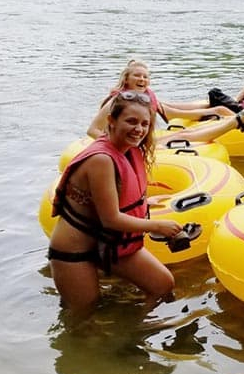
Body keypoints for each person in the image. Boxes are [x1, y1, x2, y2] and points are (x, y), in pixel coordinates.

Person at [48, 91, 183, 321]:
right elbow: (111, 218)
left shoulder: (128, 151)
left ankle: (129, 335)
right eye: (131, 121)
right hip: (75, 251)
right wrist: (158, 226)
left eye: (144, 124)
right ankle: (109, 347)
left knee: (162, 285)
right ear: (111, 121)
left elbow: (113, 198)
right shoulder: (101, 159)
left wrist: (145, 203)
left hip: (108, 244)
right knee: (83, 317)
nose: (139, 129)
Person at [86, 60, 244, 140]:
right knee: (183, 136)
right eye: (137, 76)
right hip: (128, 145)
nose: (142, 79)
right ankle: (234, 123)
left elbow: (171, 112)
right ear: (126, 79)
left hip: (140, 141)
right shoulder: (117, 101)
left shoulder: (145, 98)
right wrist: (116, 148)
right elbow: (93, 130)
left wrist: (212, 110)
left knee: (184, 133)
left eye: (146, 77)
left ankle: (235, 122)